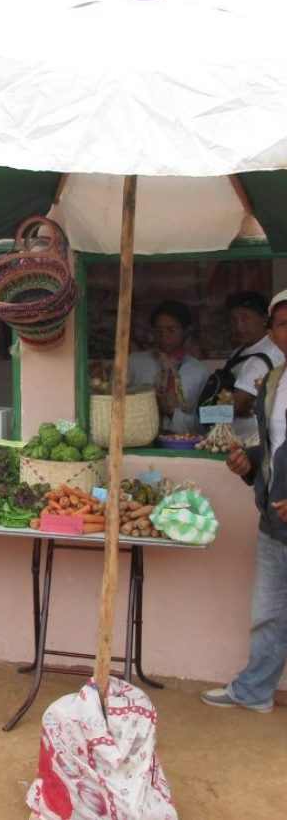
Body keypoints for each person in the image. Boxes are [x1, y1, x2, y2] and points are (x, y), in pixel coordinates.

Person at [201, 289, 287, 714]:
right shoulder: (274, 378)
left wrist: (199, 413)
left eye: (245, 319)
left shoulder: (257, 363)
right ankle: (254, 691)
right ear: (274, 331)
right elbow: (272, 444)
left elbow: (227, 407)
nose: (239, 326)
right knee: (268, 611)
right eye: (284, 323)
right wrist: (248, 460)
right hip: (275, 517)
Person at [128, 300, 209, 433]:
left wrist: (173, 412)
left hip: (182, 446)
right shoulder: (133, 363)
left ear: (185, 332)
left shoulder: (199, 372)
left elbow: (203, 424)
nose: (164, 336)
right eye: (158, 331)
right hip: (137, 440)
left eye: (172, 331)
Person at [224, 291, 284, 441]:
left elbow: (234, 408)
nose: (238, 326)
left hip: (249, 445)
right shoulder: (244, 350)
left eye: (245, 319)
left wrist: (202, 414)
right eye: (233, 320)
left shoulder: (261, 360)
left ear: (264, 318)